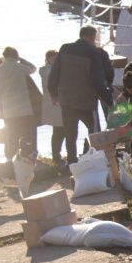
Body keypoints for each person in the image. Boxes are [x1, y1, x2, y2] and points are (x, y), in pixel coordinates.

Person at [47, 25, 112, 165]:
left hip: (67, 100)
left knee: (70, 134)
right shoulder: (93, 52)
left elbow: (54, 74)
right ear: (91, 37)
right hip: (86, 101)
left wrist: (53, 93)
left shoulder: (64, 49)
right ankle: (90, 158)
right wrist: (109, 100)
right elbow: (98, 79)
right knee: (94, 132)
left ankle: (72, 162)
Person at [0, 47, 38, 160]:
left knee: (11, 135)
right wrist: (21, 59)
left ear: (4, 56)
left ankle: (10, 158)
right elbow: (33, 68)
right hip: (24, 108)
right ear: (15, 55)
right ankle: (27, 156)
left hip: (8, 109)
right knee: (26, 134)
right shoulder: (19, 67)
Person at [38, 50, 65, 166]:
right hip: (56, 105)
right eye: (54, 58)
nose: (57, 60)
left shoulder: (47, 70)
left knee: (59, 131)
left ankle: (57, 156)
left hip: (54, 106)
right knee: (60, 131)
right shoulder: (49, 71)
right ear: (48, 59)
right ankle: (56, 157)